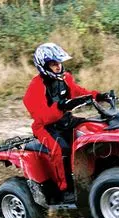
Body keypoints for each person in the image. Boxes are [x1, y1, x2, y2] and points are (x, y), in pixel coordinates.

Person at [23, 43, 109, 202]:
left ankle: (94, 173)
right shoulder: (35, 88)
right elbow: (42, 117)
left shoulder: (66, 78)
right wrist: (62, 106)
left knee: (93, 129)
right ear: (43, 65)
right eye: (53, 64)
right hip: (45, 127)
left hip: (65, 121)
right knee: (60, 150)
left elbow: (79, 92)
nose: (58, 66)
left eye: (59, 63)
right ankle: (65, 189)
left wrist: (100, 96)